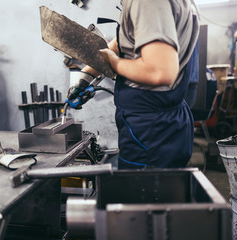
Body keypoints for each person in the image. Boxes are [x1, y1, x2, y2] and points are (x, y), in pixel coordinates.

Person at [67, 0, 199, 169]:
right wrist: (85, 76)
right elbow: (118, 45)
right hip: (165, 125)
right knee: (168, 190)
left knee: (143, 192)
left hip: (150, 132)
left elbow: (159, 71)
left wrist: (115, 64)